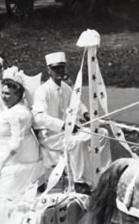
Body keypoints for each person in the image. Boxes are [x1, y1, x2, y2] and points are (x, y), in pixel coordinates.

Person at [32, 51, 110, 191]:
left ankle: (103, 174)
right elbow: (39, 116)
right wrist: (63, 126)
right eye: (56, 68)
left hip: (69, 131)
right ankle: (79, 181)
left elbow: (77, 104)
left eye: (62, 68)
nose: (60, 71)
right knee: (76, 142)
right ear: (49, 70)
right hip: (51, 135)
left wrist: (86, 114)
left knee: (102, 133)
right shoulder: (43, 90)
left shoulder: (65, 87)